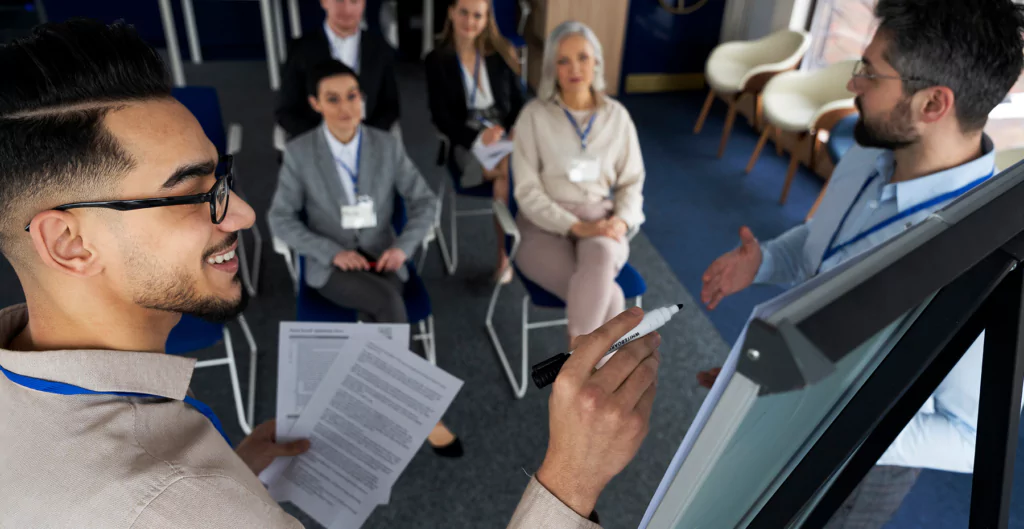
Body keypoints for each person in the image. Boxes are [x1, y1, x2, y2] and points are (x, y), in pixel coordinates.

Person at [0, 20, 662, 529]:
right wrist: (572, 480)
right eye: (193, 190)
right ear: (68, 240)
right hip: (336, 267)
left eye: (221, 176)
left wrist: (229, 464)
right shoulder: (179, 503)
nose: (244, 210)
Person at [698, 1, 1024, 527]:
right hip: (790, 392)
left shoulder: (984, 257)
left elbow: (970, 436)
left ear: (933, 104)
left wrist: (818, 417)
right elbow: (821, 247)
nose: (853, 85)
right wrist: (763, 263)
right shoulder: (864, 156)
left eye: (870, 73)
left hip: (853, 466)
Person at [268, 59, 464, 455]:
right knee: (390, 303)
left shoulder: (386, 144)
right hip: (333, 266)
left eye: (352, 96)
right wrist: (331, 252)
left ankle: (372, 402)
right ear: (315, 103)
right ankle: (418, 410)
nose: (345, 106)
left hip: (383, 256)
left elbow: (425, 202)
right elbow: (280, 219)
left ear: (364, 99)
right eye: (333, 98)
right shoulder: (300, 153)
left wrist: (403, 247)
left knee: (382, 315)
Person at [512, 20, 645, 343]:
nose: (575, 68)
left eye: (583, 57)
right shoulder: (534, 116)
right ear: (552, 68)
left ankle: (577, 361)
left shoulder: (617, 117)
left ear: (596, 61)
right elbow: (527, 192)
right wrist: (575, 226)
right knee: (608, 295)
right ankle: (592, 371)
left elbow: (632, 182)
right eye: (563, 60)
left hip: (601, 220)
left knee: (599, 258)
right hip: (542, 225)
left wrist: (621, 222)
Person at [425, 0, 526, 283]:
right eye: (464, 13)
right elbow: (441, 118)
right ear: (451, 11)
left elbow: (520, 104)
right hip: (465, 142)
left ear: (486, 19)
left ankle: (504, 259)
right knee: (514, 170)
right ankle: (519, 249)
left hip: (505, 138)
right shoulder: (437, 60)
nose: (470, 21)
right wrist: (478, 136)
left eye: (478, 15)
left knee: (503, 180)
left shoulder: (501, 53)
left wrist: (515, 129)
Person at [276, 0, 399, 137]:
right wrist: (323, 140)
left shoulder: (381, 48)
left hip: (368, 141)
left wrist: (365, 138)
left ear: (363, 4)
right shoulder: (299, 49)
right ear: (324, 2)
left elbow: (390, 106)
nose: (346, 9)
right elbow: (286, 111)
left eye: (354, 1)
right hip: (315, 143)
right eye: (339, 1)